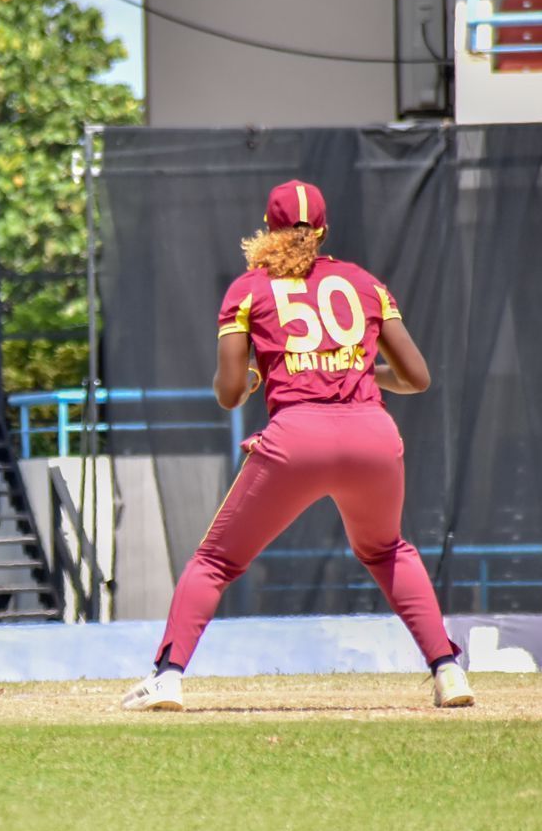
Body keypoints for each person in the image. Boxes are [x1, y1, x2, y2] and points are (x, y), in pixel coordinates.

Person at [122, 180, 474, 711]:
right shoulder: (365, 284)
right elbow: (417, 377)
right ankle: (448, 671)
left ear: (268, 228)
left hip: (297, 439)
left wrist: (261, 380)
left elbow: (228, 393)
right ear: (324, 230)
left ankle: (166, 678)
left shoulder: (248, 289)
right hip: (373, 436)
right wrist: (355, 373)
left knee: (215, 561)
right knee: (387, 550)